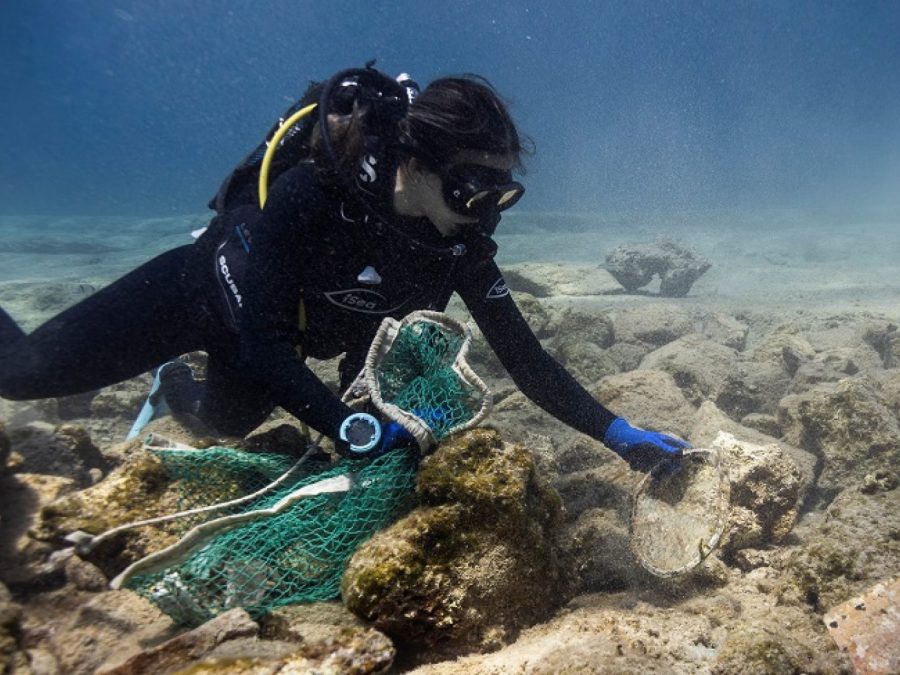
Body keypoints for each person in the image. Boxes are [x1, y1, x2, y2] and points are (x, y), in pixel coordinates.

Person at [0, 65, 688, 466]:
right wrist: (346, 427)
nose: (484, 213)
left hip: (292, 344)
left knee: (222, 424)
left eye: (500, 194)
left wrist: (617, 433)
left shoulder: (457, 241)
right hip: (208, 297)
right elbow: (265, 344)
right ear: (416, 163)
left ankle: (174, 383)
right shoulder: (315, 194)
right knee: (22, 374)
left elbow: (525, 358)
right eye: (471, 190)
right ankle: (166, 361)